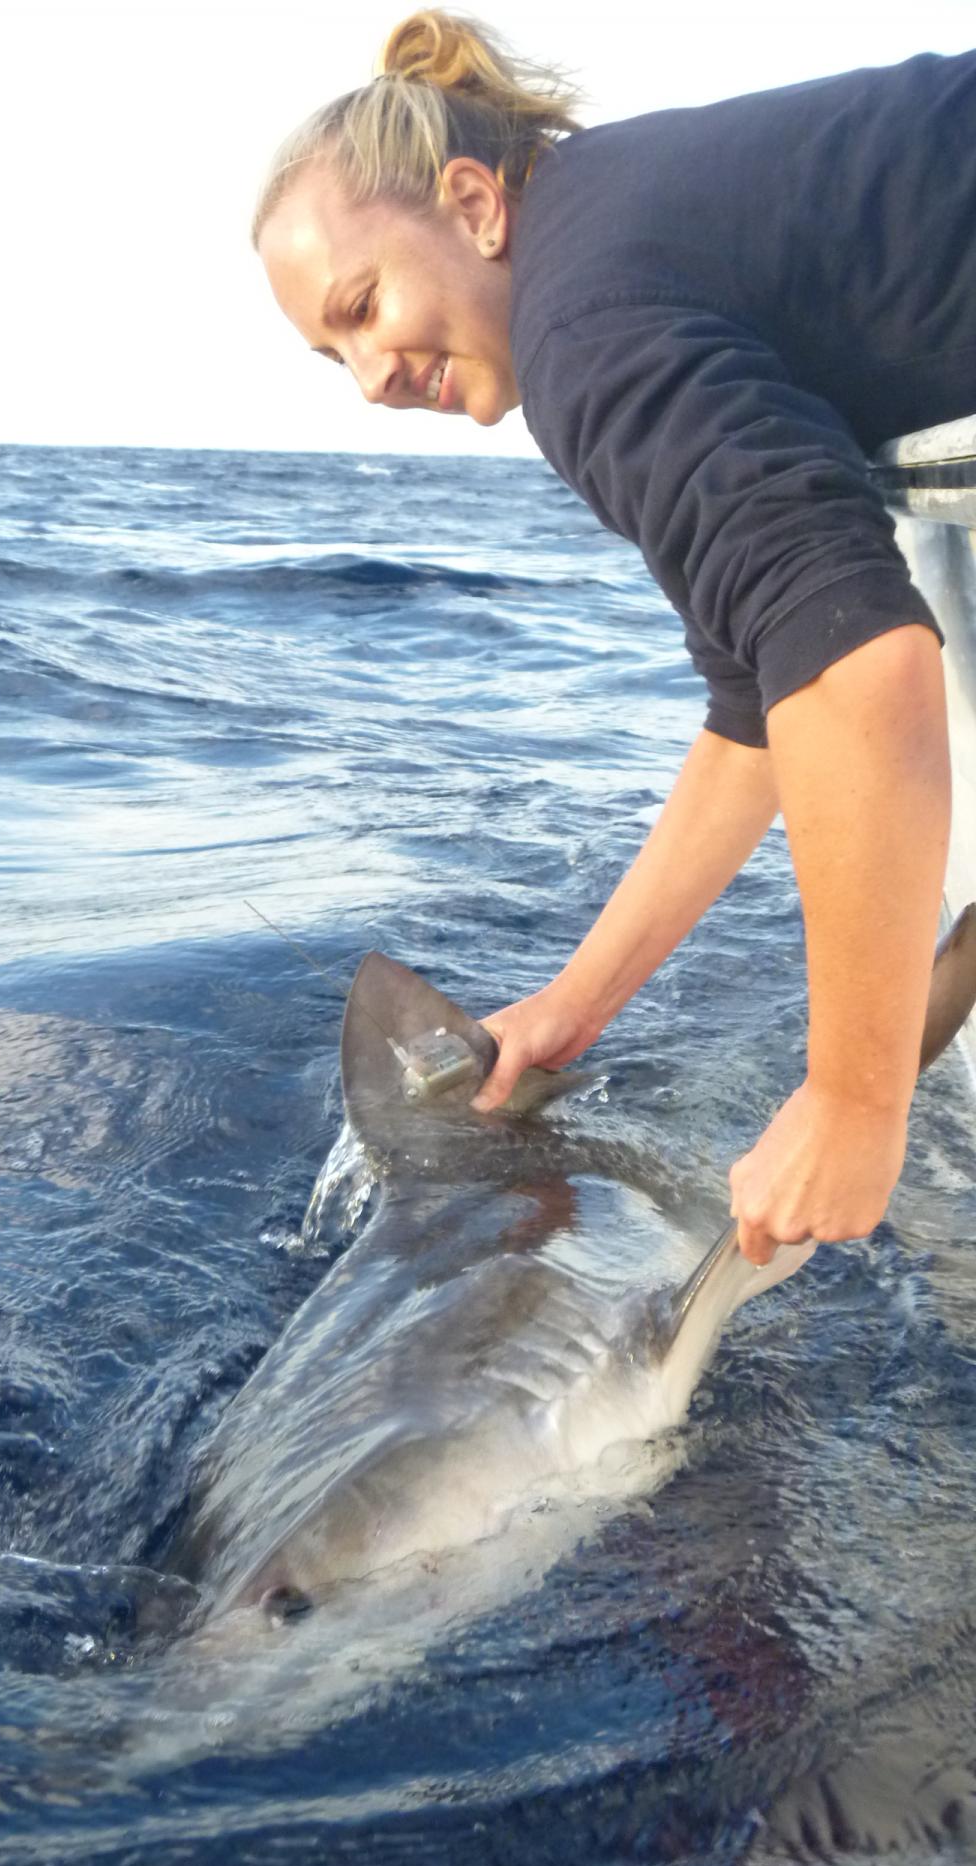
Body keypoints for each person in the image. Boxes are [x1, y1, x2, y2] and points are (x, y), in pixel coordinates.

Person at [252, 10, 975, 1267]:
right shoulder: (615, 237)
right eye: (334, 355)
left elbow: (858, 664)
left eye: (364, 306)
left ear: (474, 205)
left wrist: (856, 1100)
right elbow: (761, 706)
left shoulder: (581, 329)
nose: (370, 375)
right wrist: (574, 1008)